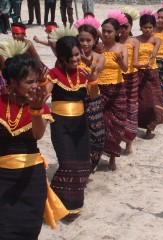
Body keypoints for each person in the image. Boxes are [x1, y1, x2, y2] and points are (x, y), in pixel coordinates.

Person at [0, 52, 64, 238]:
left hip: (31, 178)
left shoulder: (39, 103)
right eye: (29, 82)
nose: (35, 86)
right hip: (2, 177)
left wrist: (36, 110)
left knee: (28, 229)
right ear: (13, 83)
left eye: (36, 81)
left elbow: (38, 134)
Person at [45, 29, 99, 213]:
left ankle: (72, 204)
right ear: (61, 58)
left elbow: (92, 96)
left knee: (83, 165)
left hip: (80, 125)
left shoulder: (86, 72)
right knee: (68, 164)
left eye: (77, 54)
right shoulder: (53, 74)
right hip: (60, 125)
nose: (75, 59)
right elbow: (44, 95)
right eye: (70, 57)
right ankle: (57, 203)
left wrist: (93, 81)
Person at [75, 17, 106, 171]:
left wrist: (85, 60)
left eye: (88, 40)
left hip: (93, 98)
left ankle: (92, 162)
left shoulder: (100, 57)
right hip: (75, 99)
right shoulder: (72, 58)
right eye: (81, 40)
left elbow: (97, 70)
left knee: (97, 135)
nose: (85, 43)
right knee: (78, 133)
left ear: (95, 41)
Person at [98, 14, 128, 171]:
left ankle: (112, 156)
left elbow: (126, 69)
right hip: (99, 89)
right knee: (100, 122)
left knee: (116, 123)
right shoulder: (98, 47)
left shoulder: (121, 48)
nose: (106, 34)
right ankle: (97, 154)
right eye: (104, 31)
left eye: (109, 31)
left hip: (116, 89)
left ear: (117, 32)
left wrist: (120, 61)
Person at [135, 11, 163, 139]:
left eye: (150, 27)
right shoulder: (135, 40)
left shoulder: (156, 40)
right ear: (140, 27)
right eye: (145, 27)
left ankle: (150, 127)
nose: (147, 30)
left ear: (153, 27)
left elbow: (156, 51)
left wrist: (153, 54)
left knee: (154, 100)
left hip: (151, 73)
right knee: (140, 101)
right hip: (138, 72)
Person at [119, 11, 140, 155]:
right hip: (116, 78)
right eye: (120, 27)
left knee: (131, 109)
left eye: (125, 27)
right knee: (118, 109)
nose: (123, 30)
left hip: (131, 77)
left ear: (131, 26)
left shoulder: (134, 42)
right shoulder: (113, 41)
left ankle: (129, 142)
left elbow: (136, 62)